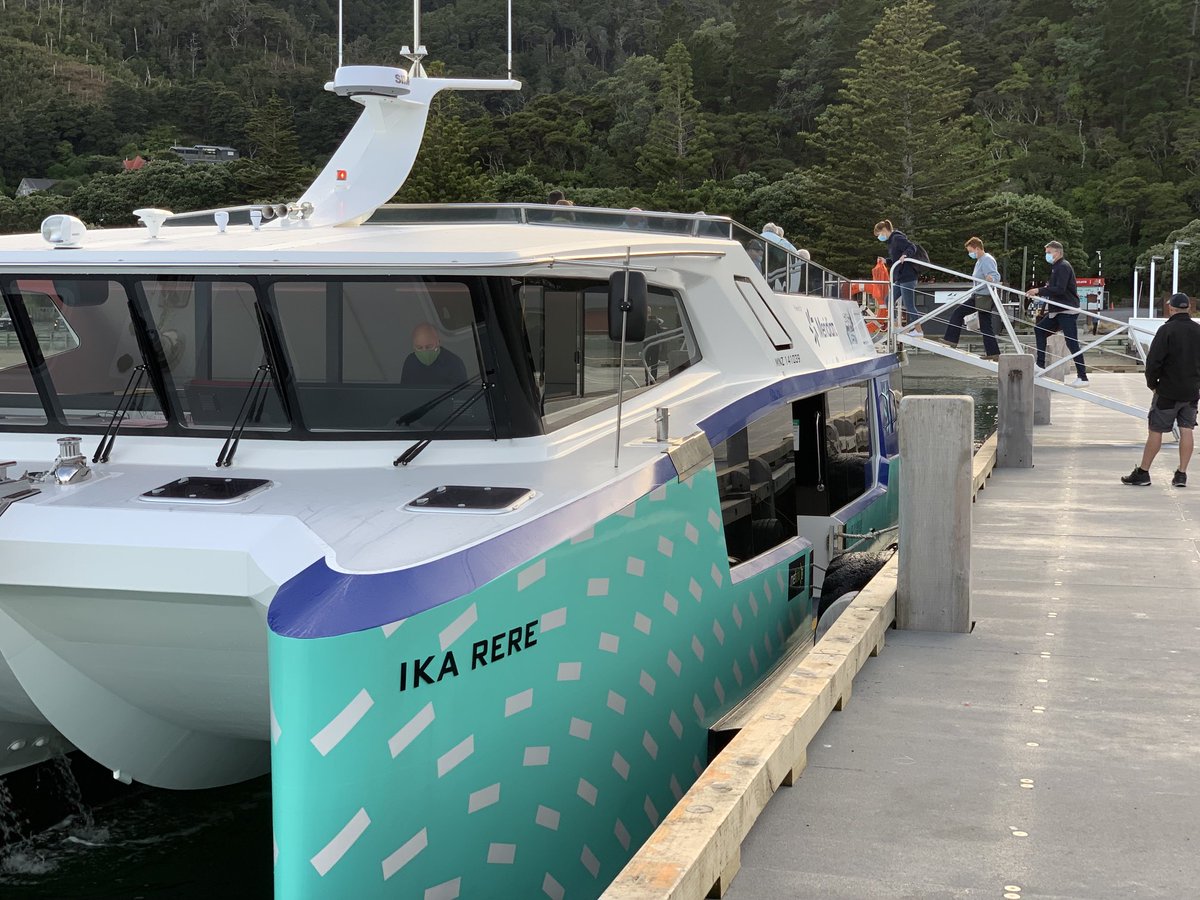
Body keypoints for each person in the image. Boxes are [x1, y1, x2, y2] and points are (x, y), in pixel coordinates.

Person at [1122, 293, 1200, 487]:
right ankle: (1181, 474)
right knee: (1187, 430)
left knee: (1156, 431)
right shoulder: (1198, 330)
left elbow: (1153, 362)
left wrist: (1153, 384)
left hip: (1167, 391)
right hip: (1191, 391)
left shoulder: (1166, 331)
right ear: (1188, 308)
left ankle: (1143, 472)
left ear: (1171, 309)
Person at [1025, 240, 1088, 386]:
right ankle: (1040, 364)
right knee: (1039, 329)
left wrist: (1038, 290)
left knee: (1072, 342)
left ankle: (1083, 377)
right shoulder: (1056, 267)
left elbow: (1060, 289)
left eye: (1048, 252)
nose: (1046, 255)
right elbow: (1055, 289)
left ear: (1057, 253)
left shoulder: (1063, 267)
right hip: (1058, 310)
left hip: (1067, 310)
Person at [939, 237, 1001, 359]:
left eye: (970, 251)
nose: (970, 254)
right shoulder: (980, 260)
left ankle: (951, 340)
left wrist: (991, 279)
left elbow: (995, 276)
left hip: (983, 296)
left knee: (958, 312)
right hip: (980, 296)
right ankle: (993, 353)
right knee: (985, 325)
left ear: (977, 249)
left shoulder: (986, 260)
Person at [874, 219, 921, 336]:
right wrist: (886, 260)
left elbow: (912, 247)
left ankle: (919, 330)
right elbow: (896, 259)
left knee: (909, 304)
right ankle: (896, 325)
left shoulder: (897, 238)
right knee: (888, 299)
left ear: (884, 230)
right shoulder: (891, 242)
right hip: (900, 278)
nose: (879, 237)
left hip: (908, 277)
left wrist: (906, 255)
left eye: (878, 235)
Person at [401, 322, 468, 389]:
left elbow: (462, 395)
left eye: (429, 347)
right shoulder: (410, 363)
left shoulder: (454, 364)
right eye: (419, 348)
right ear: (413, 347)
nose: (424, 351)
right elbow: (404, 393)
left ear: (438, 342)